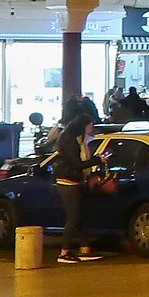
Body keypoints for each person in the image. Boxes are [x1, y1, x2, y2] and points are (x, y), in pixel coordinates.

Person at [50, 109, 95, 262]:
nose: (92, 127)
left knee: (81, 216)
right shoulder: (70, 140)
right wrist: (97, 161)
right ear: (82, 125)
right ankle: (64, 253)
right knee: (73, 218)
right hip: (67, 181)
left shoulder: (79, 139)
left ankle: (85, 249)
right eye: (90, 125)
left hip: (76, 181)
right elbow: (76, 163)